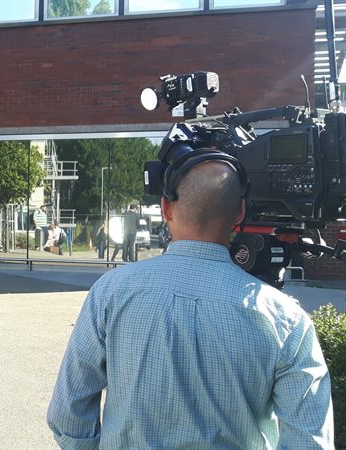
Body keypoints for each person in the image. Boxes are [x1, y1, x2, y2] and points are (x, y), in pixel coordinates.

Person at [47, 160, 333, 448]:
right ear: (240, 213)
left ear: (165, 208)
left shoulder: (110, 292)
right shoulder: (286, 319)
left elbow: (68, 415)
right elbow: (309, 441)